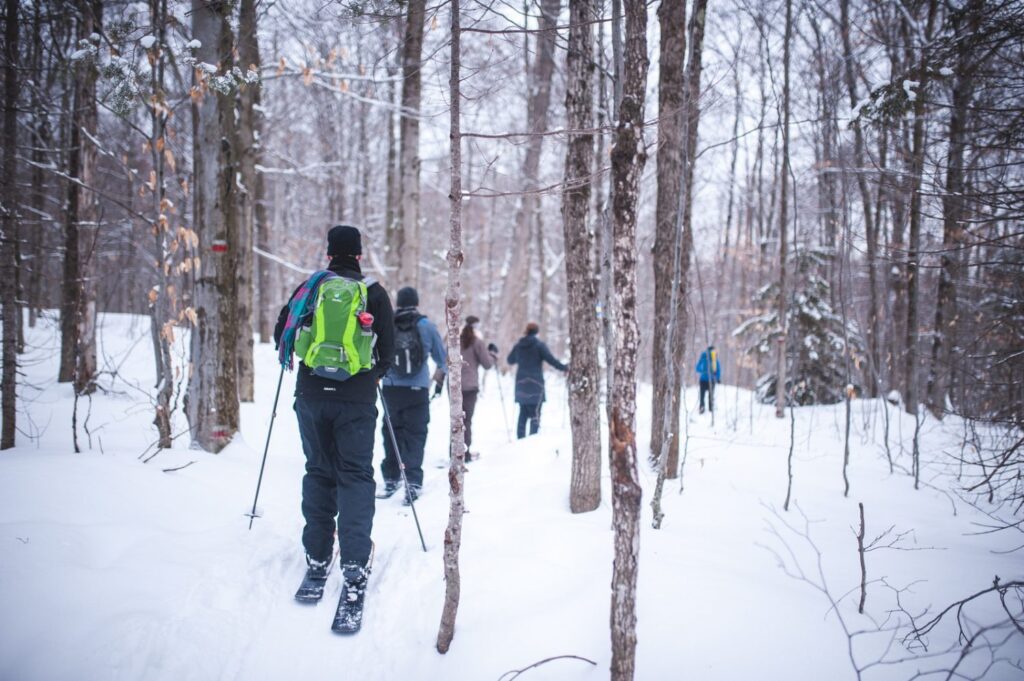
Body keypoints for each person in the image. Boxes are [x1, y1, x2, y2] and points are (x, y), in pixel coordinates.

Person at [273, 225, 395, 596]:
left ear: (329, 253)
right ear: (359, 254)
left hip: (311, 396)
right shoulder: (373, 292)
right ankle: (355, 561)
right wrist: (368, 375)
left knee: (318, 471)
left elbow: (284, 334)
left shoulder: (310, 289)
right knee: (355, 476)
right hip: (355, 399)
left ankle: (317, 556)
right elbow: (387, 352)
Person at [380, 286, 447, 503]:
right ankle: (413, 482)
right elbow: (443, 360)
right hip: (418, 390)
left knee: (391, 433)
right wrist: (438, 382)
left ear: (398, 302)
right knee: (416, 435)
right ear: (416, 302)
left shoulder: (387, 323)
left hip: (391, 389)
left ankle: (391, 478)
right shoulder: (426, 326)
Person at [507, 322, 567, 439]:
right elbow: (551, 360)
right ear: (537, 332)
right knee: (535, 414)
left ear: (526, 331)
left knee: (522, 414)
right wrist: (564, 368)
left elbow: (510, 360)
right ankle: (532, 441)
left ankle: (519, 442)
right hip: (536, 383)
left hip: (521, 384)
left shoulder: (519, 345)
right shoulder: (539, 345)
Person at [459, 316, 498, 461]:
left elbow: (443, 362)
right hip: (470, 387)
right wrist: (493, 355)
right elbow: (487, 364)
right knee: (466, 420)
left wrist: (438, 382)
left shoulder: (454, 341)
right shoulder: (477, 342)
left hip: (454, 386)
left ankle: (454, 452)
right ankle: (465, 453)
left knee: (456, 419)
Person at [696, 345, 721, 414]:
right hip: (712, 380)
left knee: (702, 396)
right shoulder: (714, 358)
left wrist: (703, 371)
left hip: (703, 380)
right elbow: (718, 370)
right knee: (711, 396)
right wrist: (718, 378)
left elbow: (697, 368)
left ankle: (702, 409)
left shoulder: (703, 357)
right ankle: (711, 409)